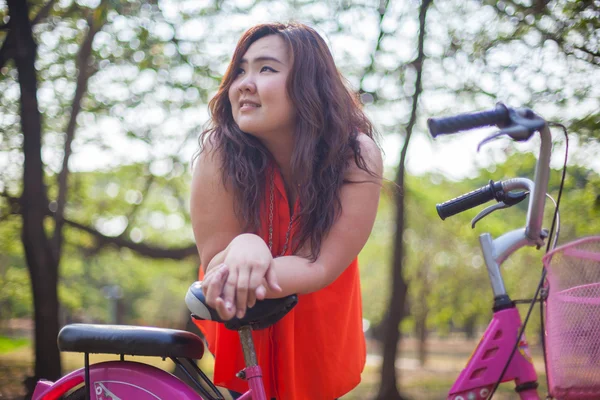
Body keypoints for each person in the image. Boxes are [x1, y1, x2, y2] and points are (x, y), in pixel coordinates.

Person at [190, 22, 382, 400]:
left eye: (266, 68)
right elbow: (216, 262)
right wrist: (246, 245)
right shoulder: (218, 153)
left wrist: (251, 263)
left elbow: (318, 264)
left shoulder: (355, 156)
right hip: (241, 307)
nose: (245, 82)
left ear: (308, 85)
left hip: (316, 313)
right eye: (240, 70)